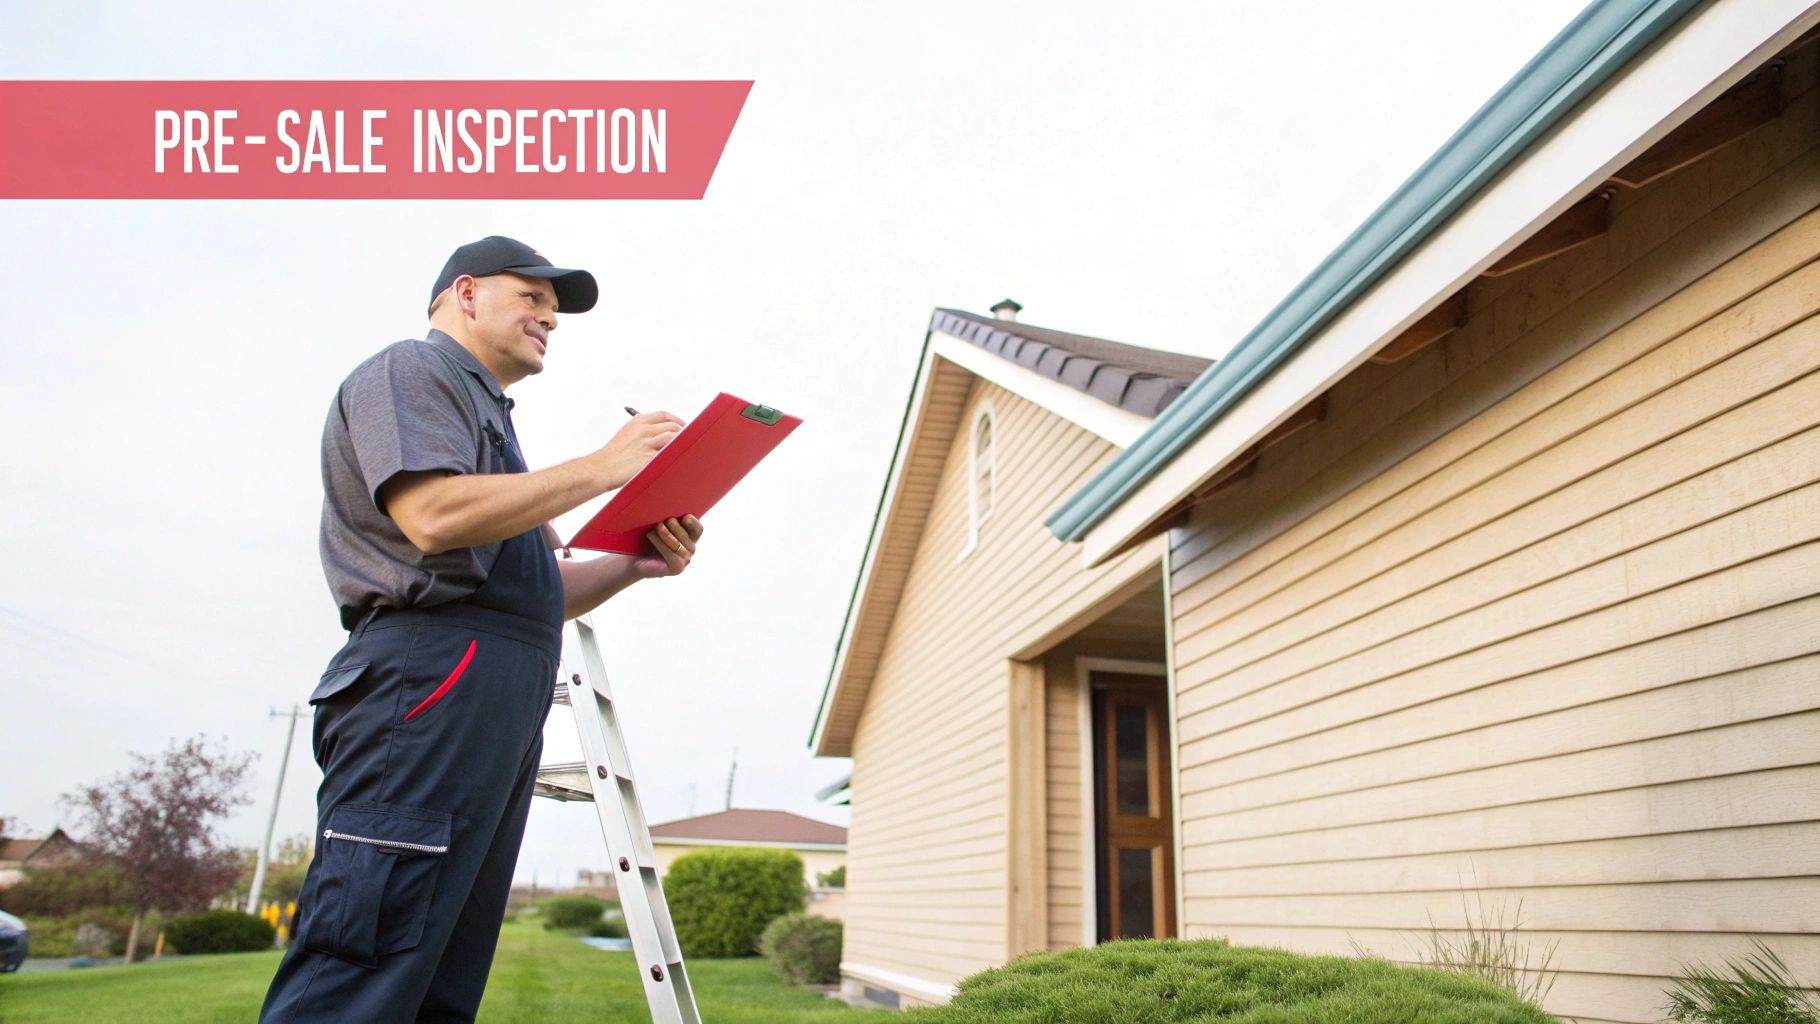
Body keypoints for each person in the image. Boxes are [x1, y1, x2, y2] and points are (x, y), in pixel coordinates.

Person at [260, 236, 702, 1023]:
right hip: (427, 683)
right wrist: (603, 468)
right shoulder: (412, 371)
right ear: (466, 294)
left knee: (436, 978)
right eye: (532, 298)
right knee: (363, 968)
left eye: (553, 309)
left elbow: (538, 593)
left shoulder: (492, 425)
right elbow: (430, 517)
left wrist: (637, 561)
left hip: (491, 694)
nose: (550, 320)